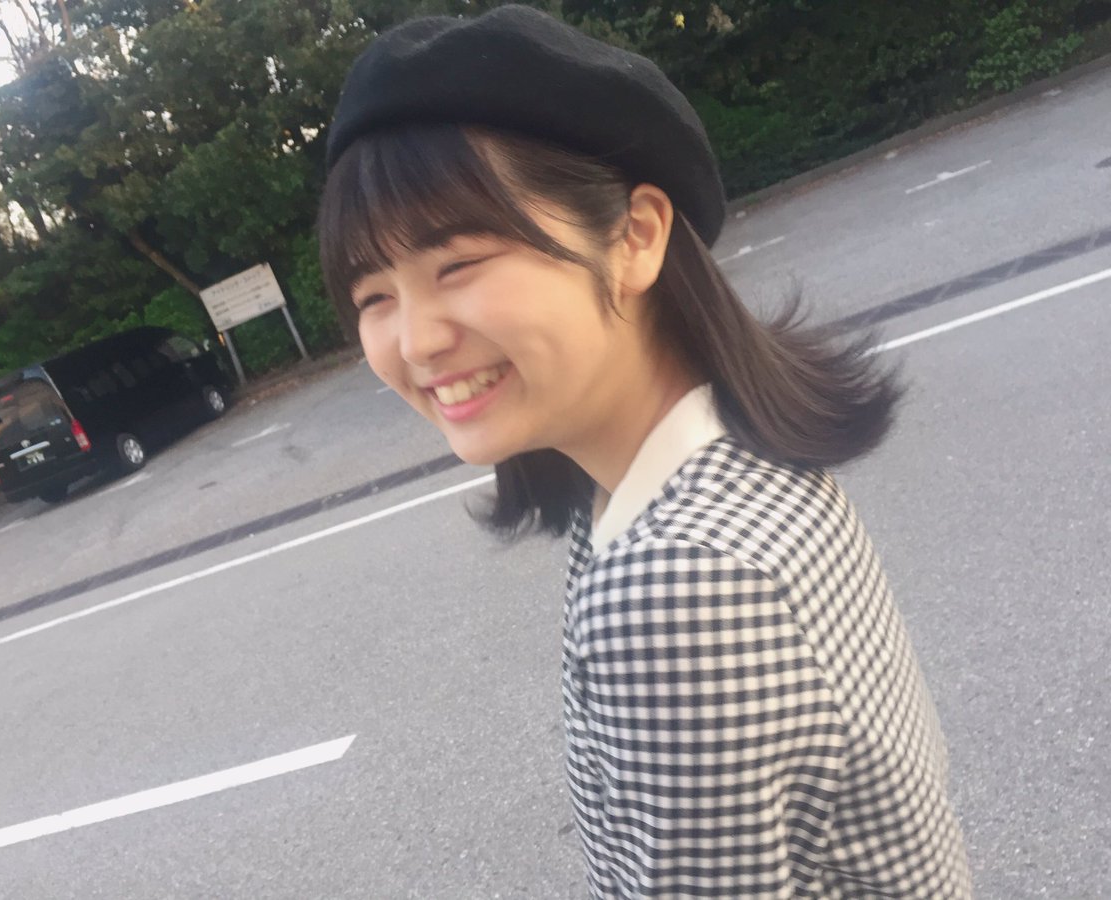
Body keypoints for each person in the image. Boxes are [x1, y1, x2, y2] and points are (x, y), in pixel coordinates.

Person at [317, 6, 972, 897]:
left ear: (636, 237)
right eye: (373, 296)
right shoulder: (728, 458)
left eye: (457, 263)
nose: (415, 340)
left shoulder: (679, 580)